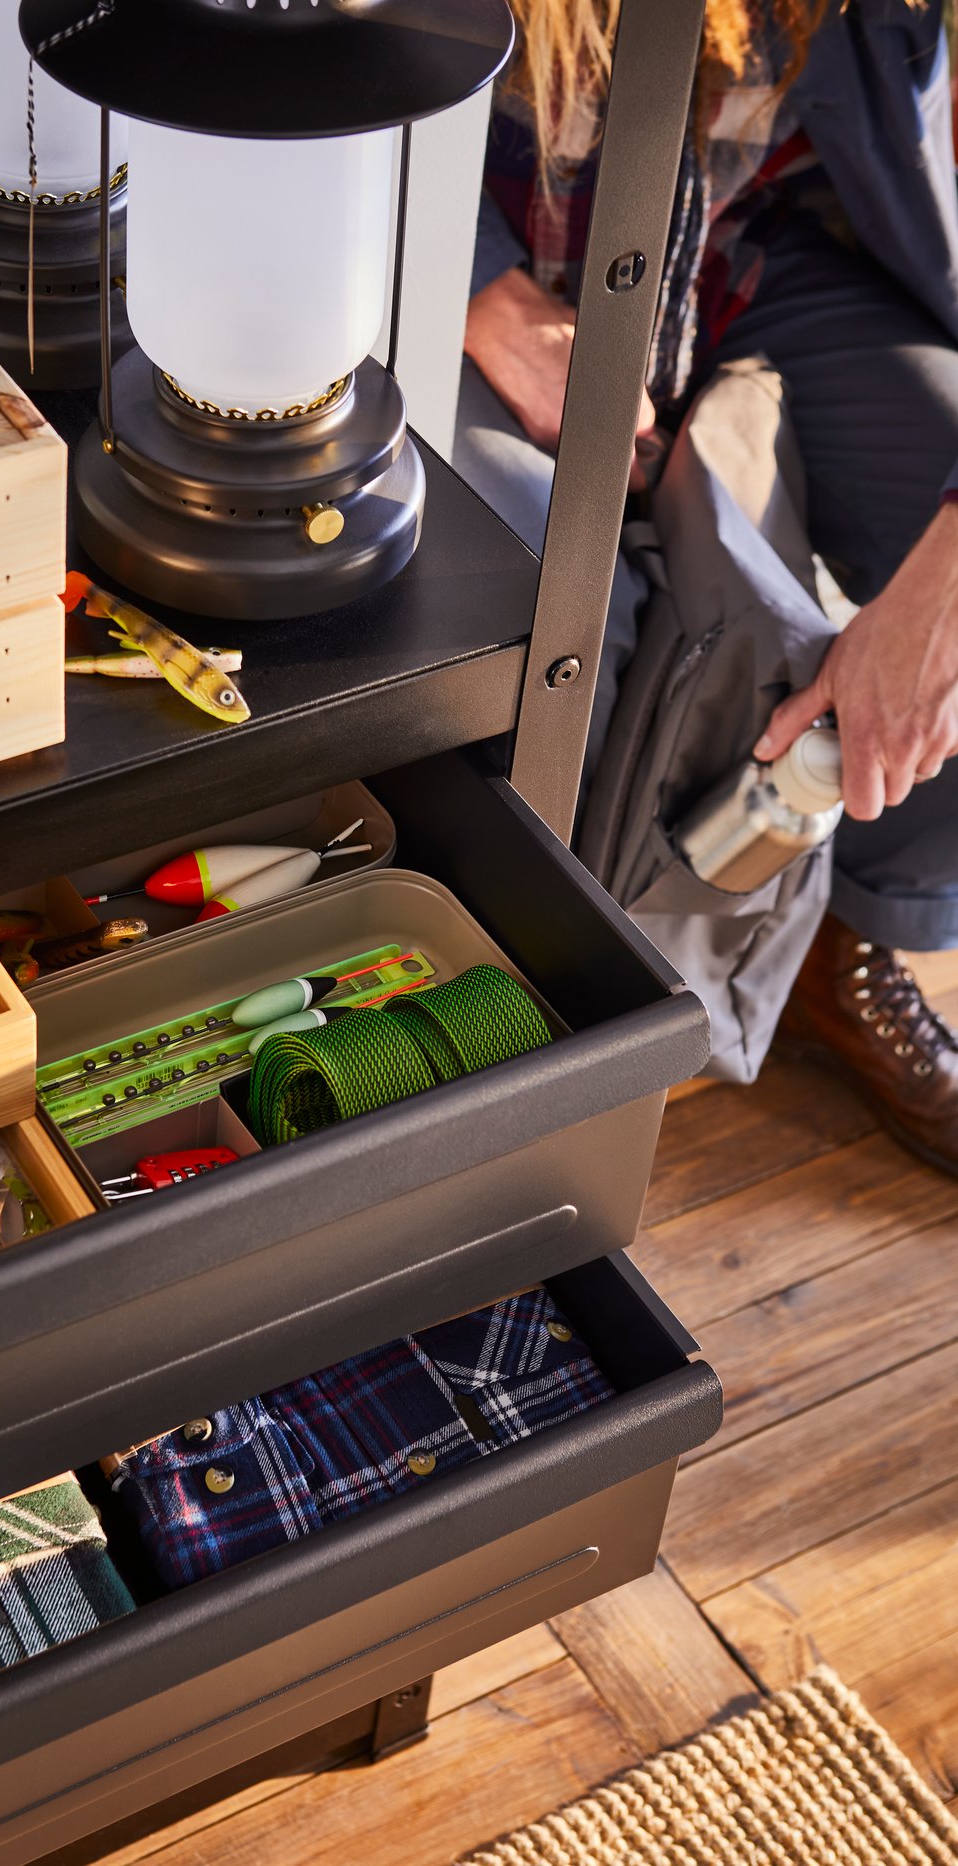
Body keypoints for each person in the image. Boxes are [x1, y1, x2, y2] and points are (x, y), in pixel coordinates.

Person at [458, 0, 958, 1175]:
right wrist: (469, 285)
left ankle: (845, 937)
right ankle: (495, 1031)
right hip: (459, 256)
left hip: (743, 251)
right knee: (543, 624)